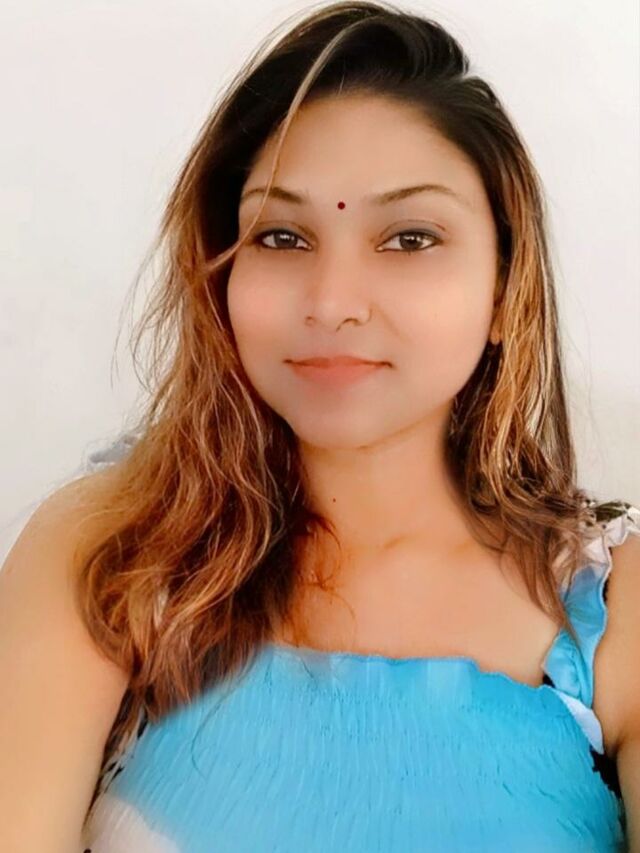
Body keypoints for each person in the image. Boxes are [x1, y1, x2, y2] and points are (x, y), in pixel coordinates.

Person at [1, 2, 638, 851]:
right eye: (282, 236)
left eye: (409, 238)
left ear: (503, 287)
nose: (333, 302)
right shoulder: (114, 553)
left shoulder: (615, 609)